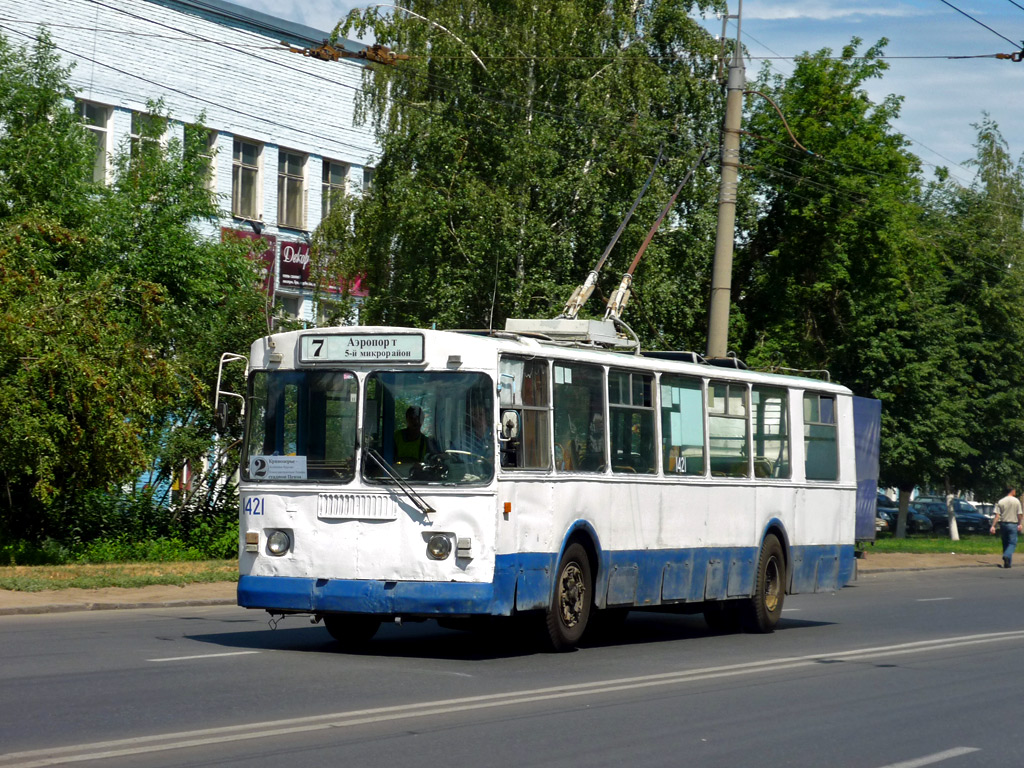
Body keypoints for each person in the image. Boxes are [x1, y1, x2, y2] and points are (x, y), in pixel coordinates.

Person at [990, 486, 1022, 568]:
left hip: (1003, 524)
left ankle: (1007, 563)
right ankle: (1007, 556)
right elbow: (1019, 514)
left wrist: (993, 526)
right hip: (1013, 524)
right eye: (1015, 490)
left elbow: (997, 515)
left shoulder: (1001, 501)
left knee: (1005, 543)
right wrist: (1020, 523)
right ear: (1012, 491)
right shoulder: (1016, 501)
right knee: (1012, 543)